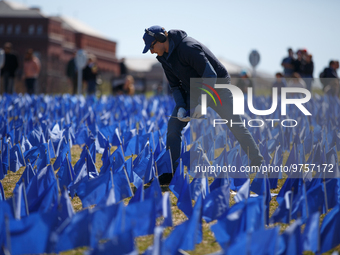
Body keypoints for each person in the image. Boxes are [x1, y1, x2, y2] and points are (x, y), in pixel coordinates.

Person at [142, 25, 263, 184]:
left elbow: (210, 74)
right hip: (192, 88)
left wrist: (203, 103)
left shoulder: (187, 47)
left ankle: (259, 163)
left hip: (217, 86)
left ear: (162, 39)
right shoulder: (163, 57)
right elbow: (175, 86)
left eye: (151, 46)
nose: (151, 51)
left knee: (235, 124)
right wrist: (181, 106)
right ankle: (170, 173)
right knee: (173, 126)